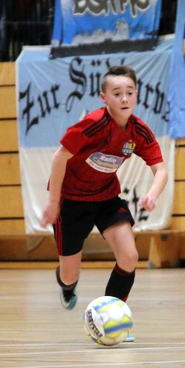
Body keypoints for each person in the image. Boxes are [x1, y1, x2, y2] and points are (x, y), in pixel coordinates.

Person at [40, 65, 168, 331]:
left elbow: (161, 170)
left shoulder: (138, 131)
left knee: (129, 256)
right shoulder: (93, 123)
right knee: (69, 276)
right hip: (71, 202)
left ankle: (113, 317)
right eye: (117, 93)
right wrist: (53, 203)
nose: (124, 98)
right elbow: (59, 157)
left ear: (137, 95)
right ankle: (66, 286)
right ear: (104, 98)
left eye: (129, 92)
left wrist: (152, 194)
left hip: (106, 198)